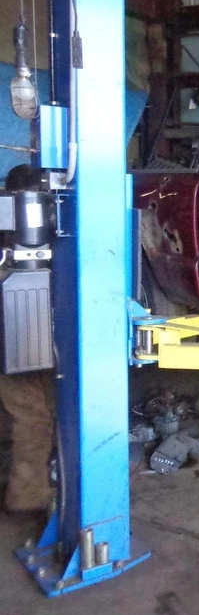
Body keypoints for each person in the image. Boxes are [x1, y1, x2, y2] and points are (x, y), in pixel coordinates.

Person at [0, 164, 55, 514]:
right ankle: (25, 497)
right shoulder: (21, 252)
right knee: (34, 418)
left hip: (16, 346)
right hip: (14, 349)